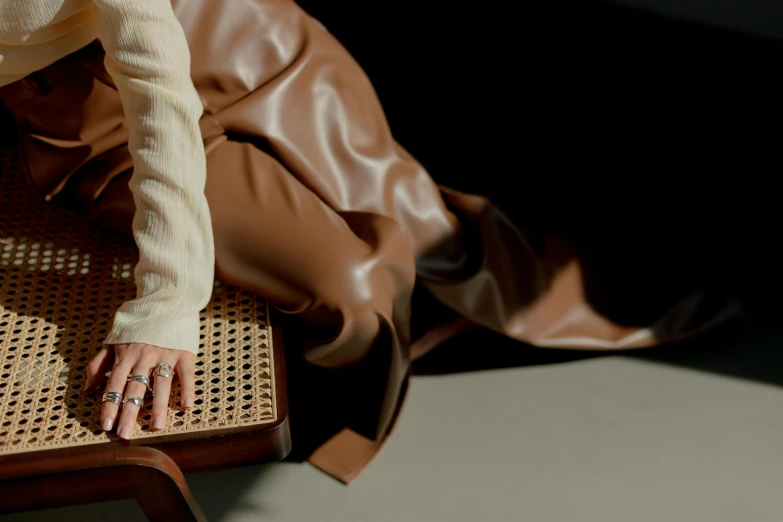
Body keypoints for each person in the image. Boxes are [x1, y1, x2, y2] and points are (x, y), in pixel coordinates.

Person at [0, 0, 739, 482]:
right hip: (89, 115)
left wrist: (164, 302)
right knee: (350, 286)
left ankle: (607, 298)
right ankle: (380, 355)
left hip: (226, 36)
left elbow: (159, 86)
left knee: (426, 233)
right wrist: (171, 304)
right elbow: (152, 126)